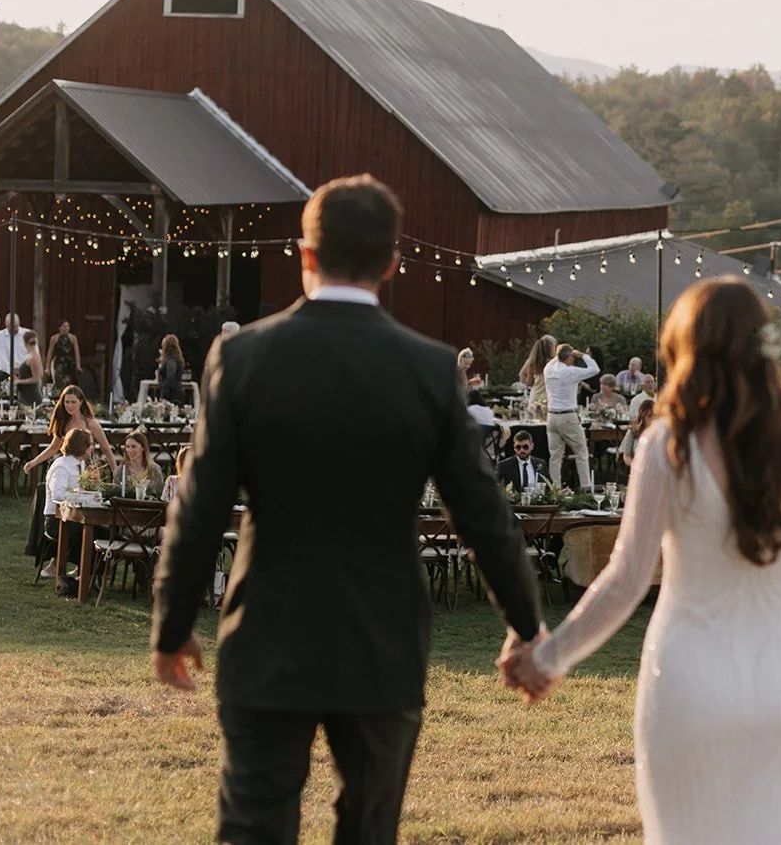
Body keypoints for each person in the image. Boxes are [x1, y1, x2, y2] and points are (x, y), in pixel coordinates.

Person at [150, 173, 541, 845]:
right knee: (368, 829)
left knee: (253, 826)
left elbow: (200, 500)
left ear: (304, 254)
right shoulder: (428, 367)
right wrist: (526, 623)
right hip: (380, 639)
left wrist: (172, 621)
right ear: (391, 262)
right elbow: (482, 511)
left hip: (268, 630)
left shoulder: (240, 356)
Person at [499, 278, 781, 844]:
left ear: (686, 350)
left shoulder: (669, 445)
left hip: (690, 679)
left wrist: (551, 656)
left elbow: (626, 578)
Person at [23, 385, 118, 477]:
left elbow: (106, 448)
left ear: (80, 402)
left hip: (87, 468)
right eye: (67, 402)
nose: (69, 405)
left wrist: (115, 472)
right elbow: (54, 447)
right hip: (67, 467)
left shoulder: (91, 424)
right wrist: (33, 462)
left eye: (73, 402)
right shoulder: (63, 423)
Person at [39, 427, 95, 582]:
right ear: (82, 447)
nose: (92, 448)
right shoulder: (62, 466)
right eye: (90, 444)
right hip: (57, 520)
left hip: (74, 517)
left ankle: (89, 571)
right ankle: (85, 574)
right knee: (91, 533)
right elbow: (58, 494)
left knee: (101, 532)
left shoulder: (80, 464)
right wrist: (81, 497)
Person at [544, 343, 599, 493]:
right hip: (567, 415)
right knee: (581, 451)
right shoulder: (571, 372)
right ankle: (586, 488)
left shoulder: (548, 369)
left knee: (555, 456)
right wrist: (582, 355)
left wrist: (561, 354)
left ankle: (555, 491)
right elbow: (595, 369)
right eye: (572, 358)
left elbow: (553, 360)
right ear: (569, 357)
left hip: (551, 417)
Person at [116, 430, 164, 498]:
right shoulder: (121, 471)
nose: (130, 450)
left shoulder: (154, 470)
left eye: (133, 446)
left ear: (143, 448)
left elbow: (160, 494)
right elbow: (116, 494)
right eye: (127, 446)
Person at [519, 334, 557, 416]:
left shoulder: (532, 364)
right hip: (549, 398)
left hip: (535, 397)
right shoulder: (554, 363)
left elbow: (528, 382)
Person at [619, 397, 654, 468]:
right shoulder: (633, 432)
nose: (653, 419)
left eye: (655, 416)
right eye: (649, 416)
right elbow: (626, 456)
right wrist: (635, 466)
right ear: (643, 417)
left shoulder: (660, 433)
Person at [14, 331, 45, 405]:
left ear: (24, 342)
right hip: (24, 394)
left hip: (31, 395)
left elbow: (37, 378)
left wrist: (19, 381)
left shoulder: (33, 357)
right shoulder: (30, 356)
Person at [46, 321, 81, 386]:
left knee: (71, 382)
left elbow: (77, 352)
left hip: (70, 362)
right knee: (59, 381)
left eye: (67, 326)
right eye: (64, 326)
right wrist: (47, 367)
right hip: (59, 362)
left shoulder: (73, 338)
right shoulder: (54, 338)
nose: (66, 328)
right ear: (59, 328)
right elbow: (50, 353)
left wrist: (78, 365)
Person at [157, 334, 186, 404]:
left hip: (171, 394)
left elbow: (170, 376)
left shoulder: (171, 360)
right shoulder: (177, 359)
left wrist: (164, 391)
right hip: (177, 390)